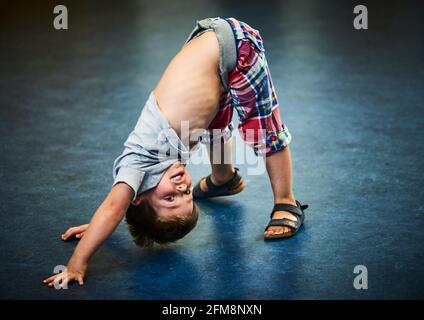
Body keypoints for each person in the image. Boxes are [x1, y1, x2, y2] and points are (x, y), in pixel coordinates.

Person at [43, 17, 308, 288]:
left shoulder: (138, 164)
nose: (183, 186)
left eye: (171, 197)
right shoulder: (147, 184)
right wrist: (98, 230)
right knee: (214, 128)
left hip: (234, 50)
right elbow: (123, 207)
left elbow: (114, 206)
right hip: (216, 63)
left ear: (137, 198)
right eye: (186, 195)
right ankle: (223, 178)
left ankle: (285, 200)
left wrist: (77, 262)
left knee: (263, 129)